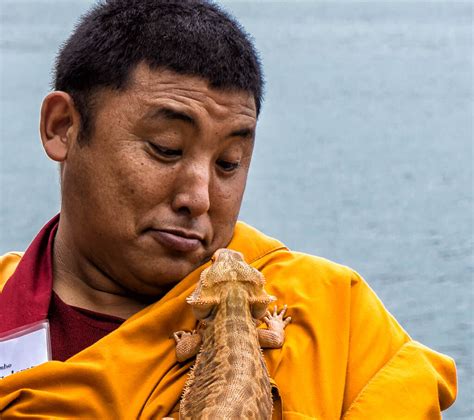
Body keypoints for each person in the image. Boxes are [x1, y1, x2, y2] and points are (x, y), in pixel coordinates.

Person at [0, 0, 456, 418]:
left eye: (228, 164)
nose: (199, 198)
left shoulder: (327, 311)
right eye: (165, 148)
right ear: (62, 128)